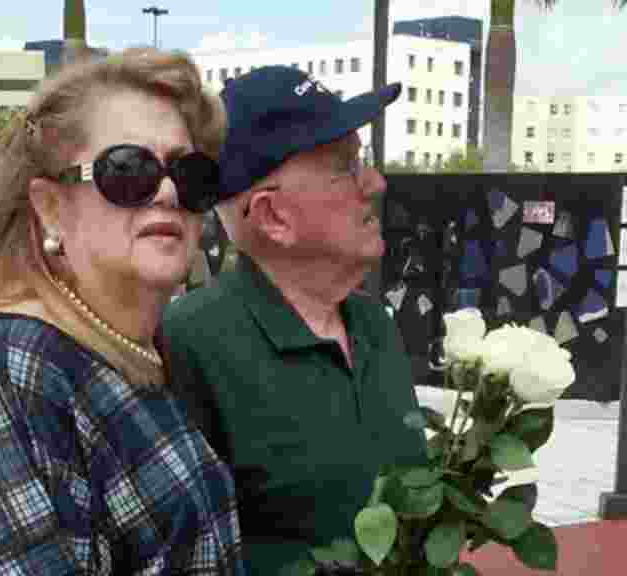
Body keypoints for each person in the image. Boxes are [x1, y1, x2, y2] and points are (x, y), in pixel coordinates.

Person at [0, 49, 245, 575]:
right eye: (129, 169)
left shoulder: (135, 350)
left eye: (189, 174)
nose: (168, 191)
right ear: (51, 206)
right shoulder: (1, 366)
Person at [161, 66, 428, 575]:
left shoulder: (376, 326)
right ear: (273, 217)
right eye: (347, 166)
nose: (375, 183)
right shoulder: (189, 342)